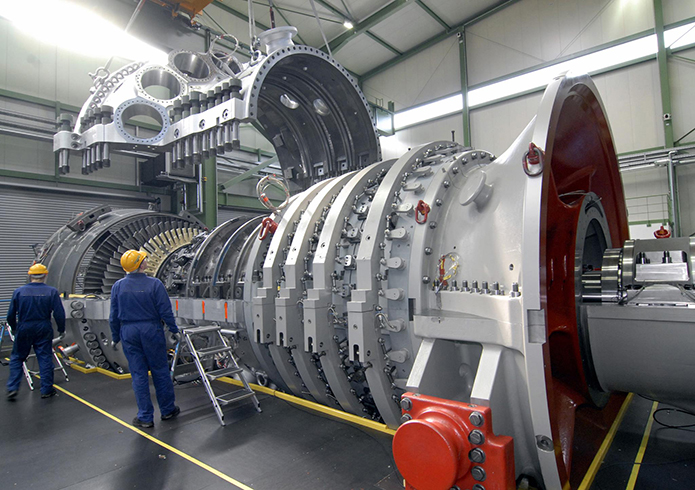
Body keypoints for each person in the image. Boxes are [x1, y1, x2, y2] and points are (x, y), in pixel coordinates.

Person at [109, 249, 181, 428]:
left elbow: (113, 315)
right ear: (141, 264)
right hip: (151, 330)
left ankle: (145, 417)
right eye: (144, 260)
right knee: (160, 371)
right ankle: (167, 410)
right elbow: (165, 310)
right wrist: (174, 329)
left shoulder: (118, 286)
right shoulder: (155, 284)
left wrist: (115, 336)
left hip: (128, 331)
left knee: (138, 374)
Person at [6, 264, 65, 400]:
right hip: (43, 327)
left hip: (24, 326)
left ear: (30, 275)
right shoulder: (52, 292)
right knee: (44, 358)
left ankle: (12, 388)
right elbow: (59, 313)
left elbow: (10, 315)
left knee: (17, 357)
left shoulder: (19, 292)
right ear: (45, 275)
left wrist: (14, 328)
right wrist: (61, 329)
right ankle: (46, 390)